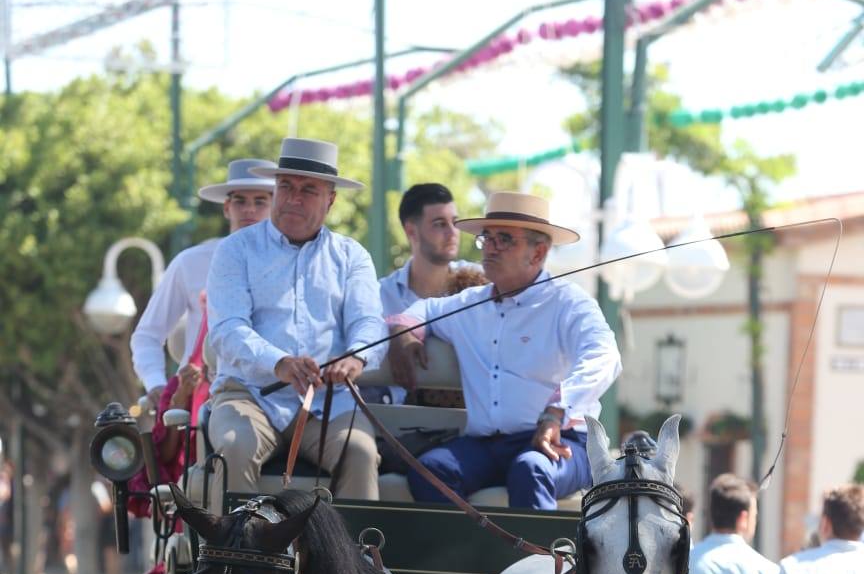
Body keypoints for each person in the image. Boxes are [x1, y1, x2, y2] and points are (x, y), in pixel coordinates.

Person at [388, 192, 621, 511]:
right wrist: (404, 333)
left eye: (505, 239)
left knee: (532, 468)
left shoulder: (569, 302)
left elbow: (605, 356)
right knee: (431, 470)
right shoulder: (470, 304)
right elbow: (422, 310)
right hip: (486, 446)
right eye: (488, 238)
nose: (492, 247)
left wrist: (557, 412)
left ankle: (537, 562)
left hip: (562, 441)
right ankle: (467, 558)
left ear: (538, 252)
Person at [204, 138, 386, 502]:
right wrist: (280, 363)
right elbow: (227, 329)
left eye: (308, 190)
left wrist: (356, 357)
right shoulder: (235, 250)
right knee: (233, 446)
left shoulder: (352, 257)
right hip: (248, 396)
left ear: (330, 200)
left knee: (361, 452)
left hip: (328, 404)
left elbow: (370, 324)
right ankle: (235, 558)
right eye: (285, 186)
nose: (293, 198)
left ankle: (358, 557)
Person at [130, 157, 277, 410]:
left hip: (273, 394)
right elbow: (148, 335)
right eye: (240, 201)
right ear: (227, 208)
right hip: (198, 397)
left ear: (274, 208)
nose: (249, 210)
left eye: (260, 201)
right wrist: (155, 384)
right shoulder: (190, 262)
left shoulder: (292, 264)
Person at [379, 183, 476, 316]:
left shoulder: (478, 285)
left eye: (454, 222)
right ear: (411, 231)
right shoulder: (382, 296)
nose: (452, 232)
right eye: (440, 224)